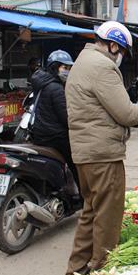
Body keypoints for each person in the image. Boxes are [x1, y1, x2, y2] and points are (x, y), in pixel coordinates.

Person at [64, 21, 138, 275]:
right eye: (122, 52)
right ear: (112, 45)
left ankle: (75, 271)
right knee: (108, 216)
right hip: (103, 154)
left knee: (91, 212)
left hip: (85, 154)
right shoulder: (102, 67)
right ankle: (100, 272)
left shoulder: (82, 61)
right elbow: (127, 114)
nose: (121, 58)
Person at [30, 50, 79, 194]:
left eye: (69, 68)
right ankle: (85, 199)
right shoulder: (55, 88)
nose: (67, 72)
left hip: (40, 134)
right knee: (77, 164)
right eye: (64, 68)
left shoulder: (41, 83)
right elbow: (65, 118)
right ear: (54, 67)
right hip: (55, 137)